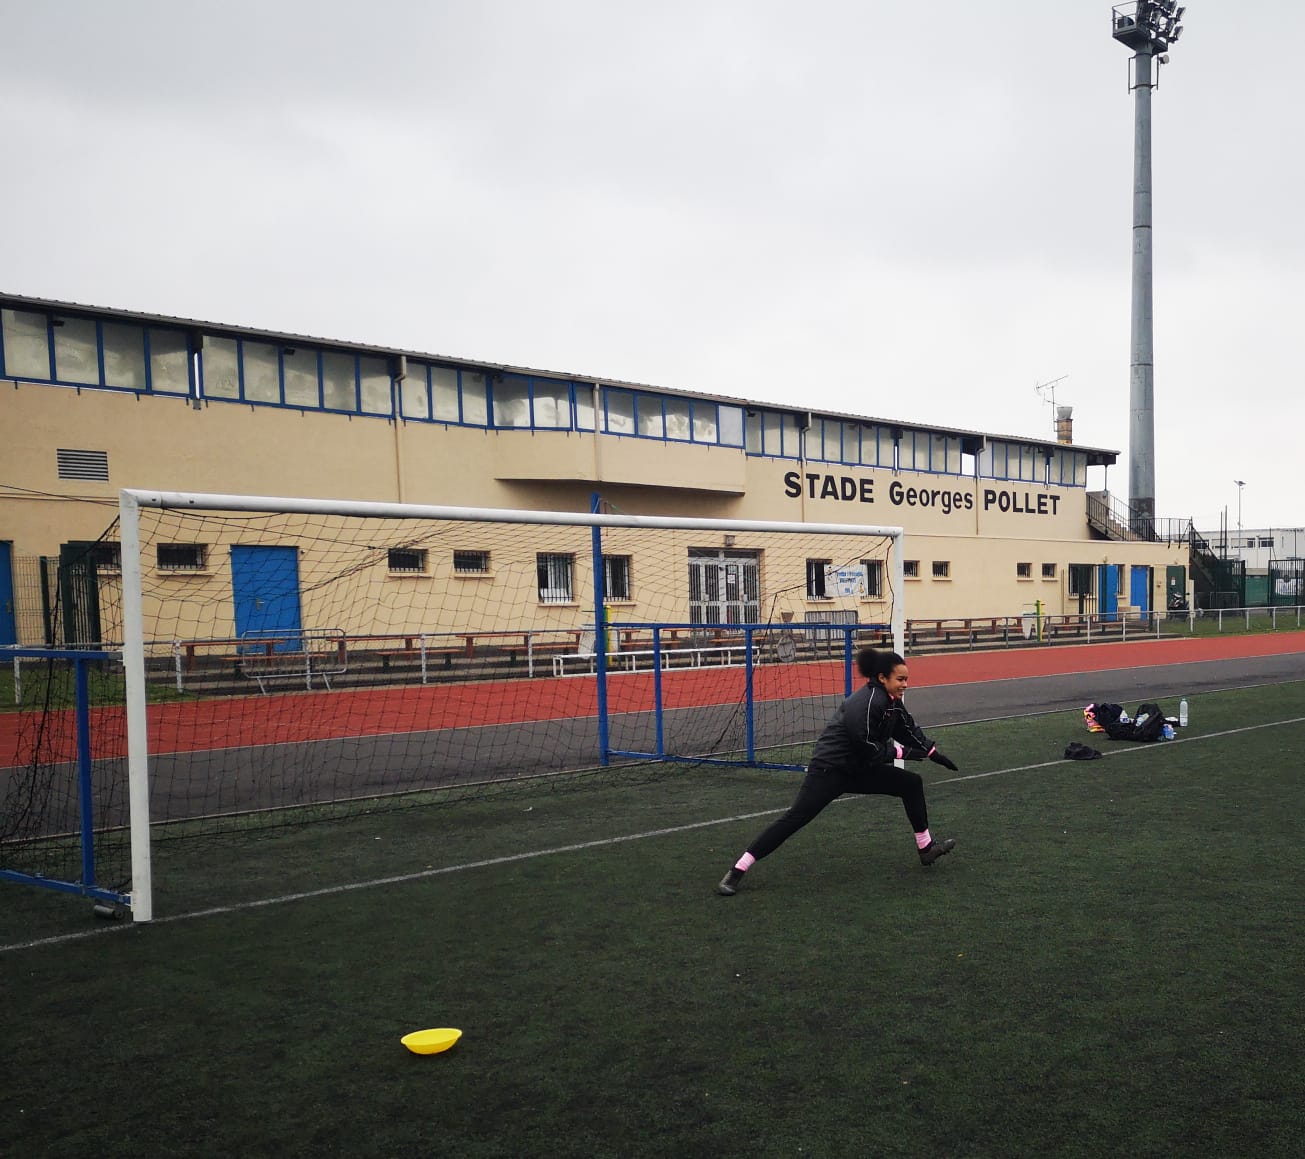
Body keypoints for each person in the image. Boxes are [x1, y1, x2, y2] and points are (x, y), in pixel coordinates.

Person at [717, 647, 958, 895]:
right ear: (882, 677)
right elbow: (866, 747)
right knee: (795, 818)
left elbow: (907, 730)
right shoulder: (866, 702)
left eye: (906, 679)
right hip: (830, 771)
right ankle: (737, 870)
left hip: (858, 769)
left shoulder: (892, 703)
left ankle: (926, 849)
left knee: (911, 784)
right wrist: (902, 753)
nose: (905, 684)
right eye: (900, 679)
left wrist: (932, 752)